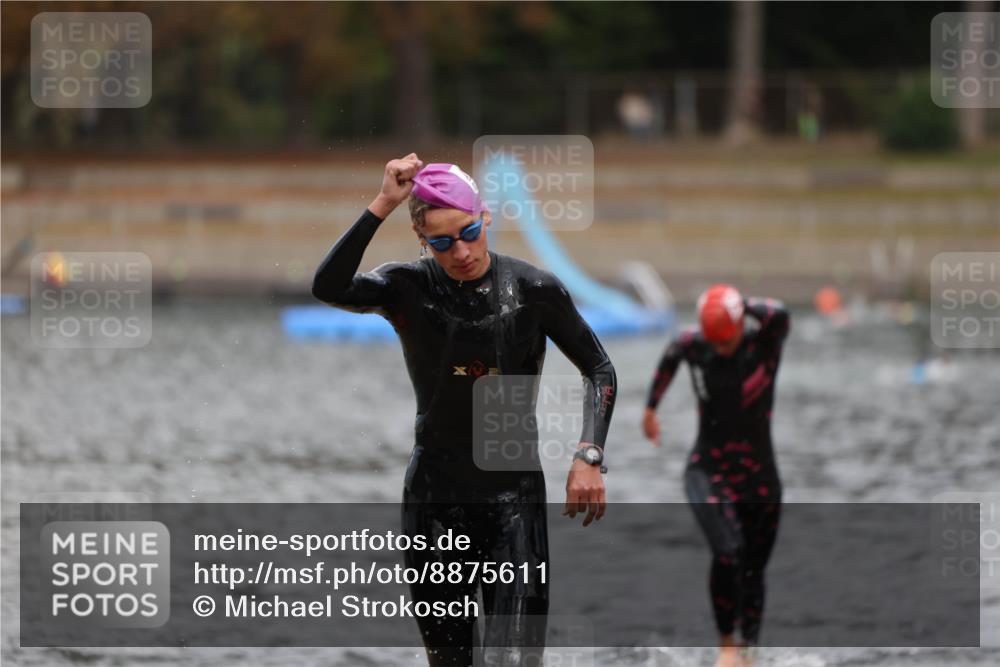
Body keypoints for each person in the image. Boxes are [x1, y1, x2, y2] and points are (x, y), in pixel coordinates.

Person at [312, 154, 617, 666]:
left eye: (469, 231)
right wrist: (384, 202)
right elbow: (329, 286)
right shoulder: (408, 289)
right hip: (433, 501)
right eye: (442, 242)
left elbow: (600, 369)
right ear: (422, 242)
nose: (461, 252)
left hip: (512, 501)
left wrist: (589, 454)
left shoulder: (532, 290)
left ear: (486, 217)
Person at [642, 284, 790, 667]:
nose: (721, 349)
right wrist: (650, 409)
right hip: (708, 469)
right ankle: (726, 646)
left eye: (727, 341)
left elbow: (780, 312)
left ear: (742, 324)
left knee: (755, 568)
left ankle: (750, 651)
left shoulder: (766, 342)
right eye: (716, 342)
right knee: (728, 552)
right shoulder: (696, 344)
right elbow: (671, 355)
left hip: (760, 476)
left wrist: (739, 303)